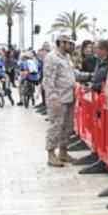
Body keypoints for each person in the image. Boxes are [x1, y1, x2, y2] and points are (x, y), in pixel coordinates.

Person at [42, 34, 78, 167]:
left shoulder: (67, 57)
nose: (70, 46)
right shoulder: (52, 58)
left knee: (67, 126)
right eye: (68, 43)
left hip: (69, 96)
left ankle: (63, 151)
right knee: (56, 126)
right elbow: (48, 80)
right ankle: (51, 153)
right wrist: (53, 98)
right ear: (60, 43)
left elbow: (72, 75)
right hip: (58, 98)